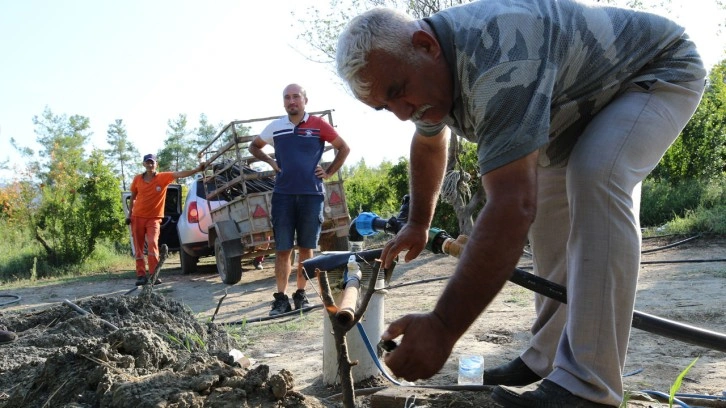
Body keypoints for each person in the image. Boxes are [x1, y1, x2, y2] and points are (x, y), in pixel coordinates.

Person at [336, 2, 705, 407]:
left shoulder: (500, 59)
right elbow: (428, 140)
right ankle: (545, 360)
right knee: (548, 213)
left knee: (597, 174)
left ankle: (588, 386)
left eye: (397, 93)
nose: (402, 113)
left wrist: (442, 326)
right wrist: (418, 223)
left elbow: (510, 206)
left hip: (654, 73)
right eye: (386, 107)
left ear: (426, 45)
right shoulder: (424, 72)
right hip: (576, 108)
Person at [249, 83, 350, 316]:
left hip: (311, 195)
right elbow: (254, 146)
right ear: (283, 102)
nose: (291, 101)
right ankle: (281, 298)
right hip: (283, 195)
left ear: (305, 100)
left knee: (306, 249)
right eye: (287, 97)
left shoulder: (318, 125)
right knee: (283, 248)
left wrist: (329, 172)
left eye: (296, 97)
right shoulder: (276, 127)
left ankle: (301, 295)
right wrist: (272, 163)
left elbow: (343, 148)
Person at [128, 154, 206, 286]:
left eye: (152, 163)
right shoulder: (137, 179)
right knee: (139, 247)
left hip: (154, 218)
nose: (150, 165)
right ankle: (141, 276)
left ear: (156, 164)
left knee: (153, 244)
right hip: (137, 217)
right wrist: (129, 215)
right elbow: (133, 197)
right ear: (143, 164)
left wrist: (197, 170)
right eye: (147, 163)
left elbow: (180, 174)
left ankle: (153, 275)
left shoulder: (163, 177)